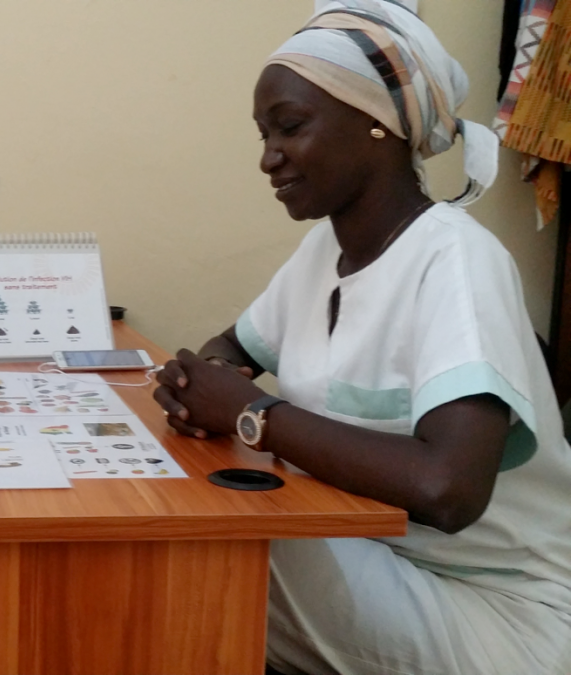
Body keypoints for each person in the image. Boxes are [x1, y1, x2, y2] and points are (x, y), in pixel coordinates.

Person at [154, 2, 571, 673]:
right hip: (379, 560)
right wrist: (198, 379)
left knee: (210, 545)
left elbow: (448, 488)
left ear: (378, 122)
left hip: (498, 609)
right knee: (199, 522)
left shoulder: (455, 262)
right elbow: (234, 349)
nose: (268, 157)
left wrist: (249, 413)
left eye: (289, 127)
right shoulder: (325, 252)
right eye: (262, 134)